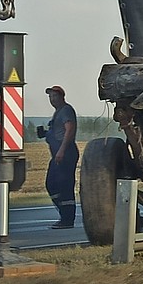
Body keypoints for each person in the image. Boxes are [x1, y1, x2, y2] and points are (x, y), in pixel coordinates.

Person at [44, 85, 80, 229]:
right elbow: (58, 132)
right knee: (52, 184)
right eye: (50, 97)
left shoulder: (66, 110)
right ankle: (64, 214)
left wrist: (62, 150)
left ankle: (67, 219)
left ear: (62, 97)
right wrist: (46, 134)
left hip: (65, 152)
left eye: (54, 96)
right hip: (59, 152)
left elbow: (69, 129)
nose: (52, 99)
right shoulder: (58, 112)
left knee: (64, 186)